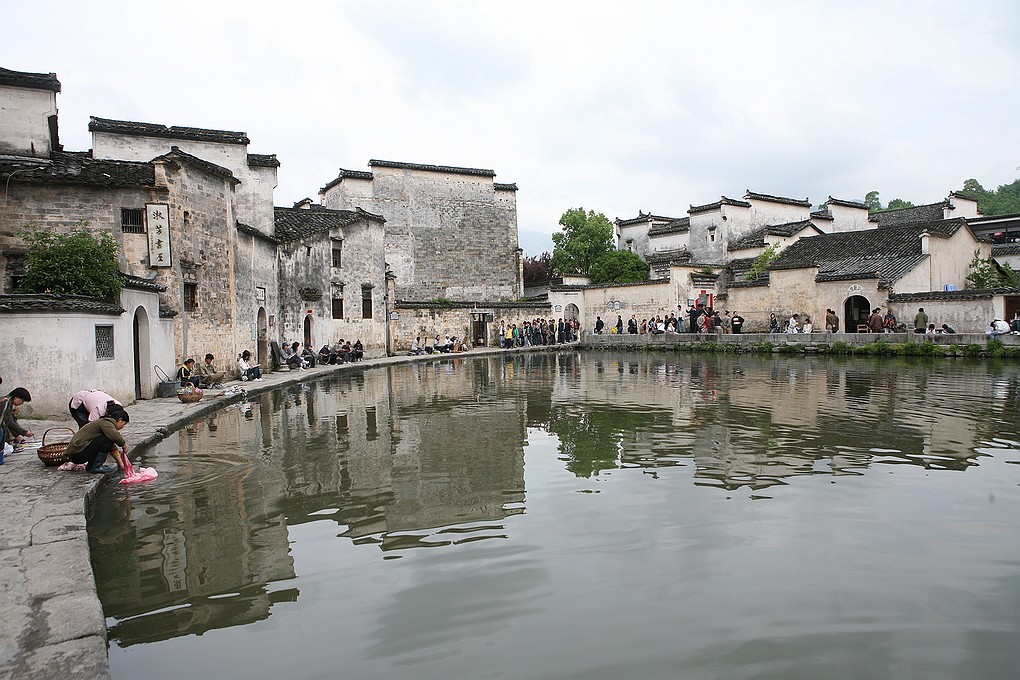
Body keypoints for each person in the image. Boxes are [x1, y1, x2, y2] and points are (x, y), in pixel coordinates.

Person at [64, 407, 130, 474]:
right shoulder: (106, 423)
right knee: (106, 440)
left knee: (107, 441)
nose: (122, 427)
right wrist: (124, 445)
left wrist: (121, 464)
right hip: (77, 453)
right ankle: (97, 466)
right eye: (123, 424)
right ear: (120, 420)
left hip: (78, 454)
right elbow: (115, 436)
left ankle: (91, 466)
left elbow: (112, 447)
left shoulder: (105, 425)